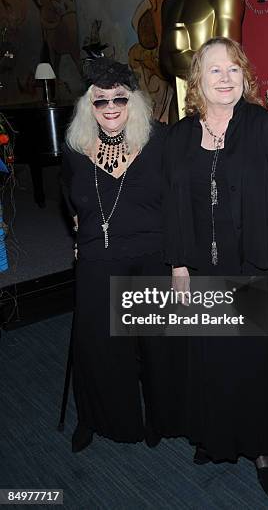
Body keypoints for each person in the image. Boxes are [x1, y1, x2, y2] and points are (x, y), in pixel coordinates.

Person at [162, 37, 268, 496]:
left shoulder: (266, 128)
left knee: (253, 363)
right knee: (209, 359)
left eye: (233, 69)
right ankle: (214, 436)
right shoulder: (179, 136)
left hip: (257, 265)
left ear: (244, 76)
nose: (225, 78)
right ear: (197, 81)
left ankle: (260, 447)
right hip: (202, 268)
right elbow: (173, 205)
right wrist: (178, 268)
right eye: (214, 70)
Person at [61, 57, 168, 452]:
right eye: (100, 100)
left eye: (119, 100)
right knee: (98, 347)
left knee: (156, 346)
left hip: (150, 256)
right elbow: (67, 195)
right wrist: (78, 227)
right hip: (97, 260)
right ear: (88, 106)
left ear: (133, 102)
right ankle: (97, 417)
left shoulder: (159, 143)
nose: (110, 108)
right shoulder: (74, 149)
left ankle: (160, 416)